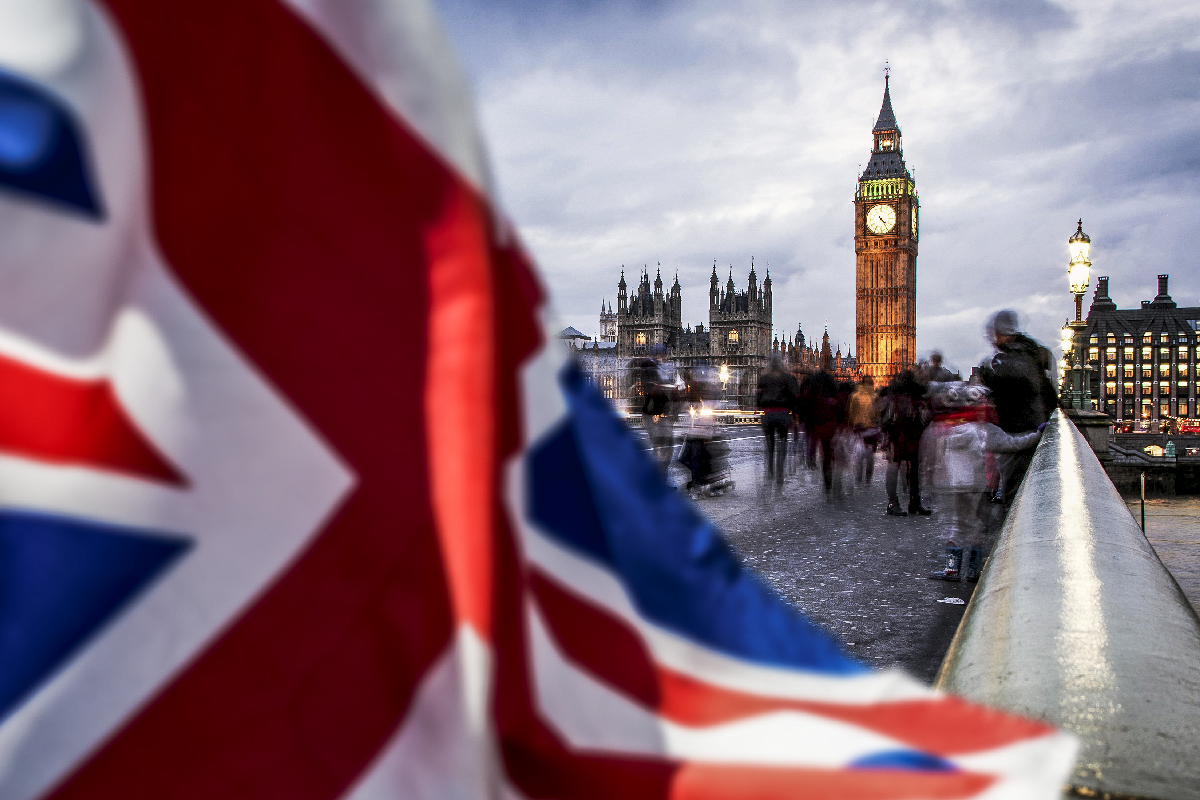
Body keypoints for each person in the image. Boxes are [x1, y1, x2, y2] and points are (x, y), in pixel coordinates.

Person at [920, 382, 1042, 581]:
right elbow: (1013, 444)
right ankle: (973, 570)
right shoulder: (986, 430)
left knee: (957, 524)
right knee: (976, 526)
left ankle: (952, 569)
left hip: (955, 484)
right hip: (977, 484)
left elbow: (933, 455)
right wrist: (1037, 434)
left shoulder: (950, 428)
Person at [978, 310, 1058, 504]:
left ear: (1004, 334)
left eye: (995, 334)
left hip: (1021, 431)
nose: (992, 339)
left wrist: (986, 372)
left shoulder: (1016, 358)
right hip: (1032, 427)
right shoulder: (1034, 352)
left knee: (1016, 497)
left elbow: (1012, 379)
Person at [878, 369, 930, 516]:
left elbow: (885, 419)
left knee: (900, 468)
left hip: (901, 437)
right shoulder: (913, 398)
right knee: (910, 469)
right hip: (906, 436)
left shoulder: (894, 398)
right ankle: (909, 502)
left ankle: (897, 502)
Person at [756, 354, 800, 487]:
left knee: (770, 444)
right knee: (783, 443)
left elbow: (758, 396)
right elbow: (795, 397)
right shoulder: (788, 378)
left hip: (768, 414)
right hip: (782, 413)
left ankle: (770, 470)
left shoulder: (764, 378)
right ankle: (779, 473)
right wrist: (794, 415)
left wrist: (759, 408)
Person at [629, 350, 675, 478]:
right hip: (654, 414)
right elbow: (652, 392)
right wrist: (657, 413)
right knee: (661, 447)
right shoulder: (650, 370)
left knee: (663, 447)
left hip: (657, 413)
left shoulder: (659, 370)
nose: (664, 358)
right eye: (661, 356)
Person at [846, 375, 879, 485]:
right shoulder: (875, 396)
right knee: (870, 456)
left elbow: (851, 412)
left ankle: (859, 478)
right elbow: (878, 413)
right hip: (872, 429)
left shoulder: (855, 396)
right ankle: (868, 479)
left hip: (859, 428)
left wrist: (851, 425)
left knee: (859, 454)